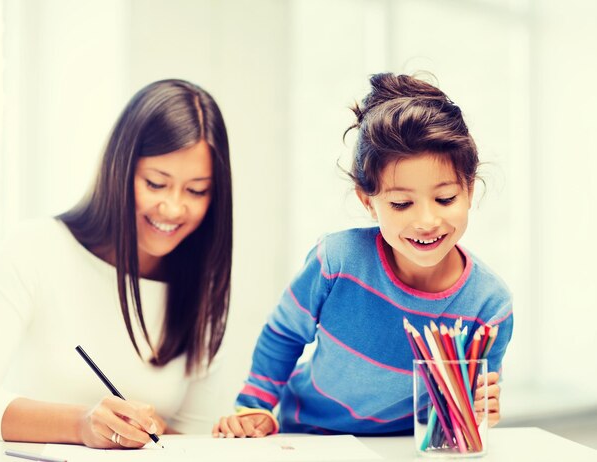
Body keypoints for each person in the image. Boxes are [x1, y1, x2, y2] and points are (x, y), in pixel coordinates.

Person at [213, 73, 513, 438]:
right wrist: (254, 407)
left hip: (404, 448)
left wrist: (479, 413)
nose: (426, 221)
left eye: (445, 199)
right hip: (307, 434)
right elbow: (285, 333)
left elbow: (465, 415)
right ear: (367, 202)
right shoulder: (337, 261)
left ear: (469, 188)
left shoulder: (490, 305)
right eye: (401, 203)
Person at [0, 79, 232, 448]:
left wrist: (147, 428)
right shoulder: (36, 247)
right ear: (119, 170)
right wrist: (81, 424)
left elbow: (195, 441)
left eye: (196, 191)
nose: (173, 208)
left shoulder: (199, 291)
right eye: (156, 184)